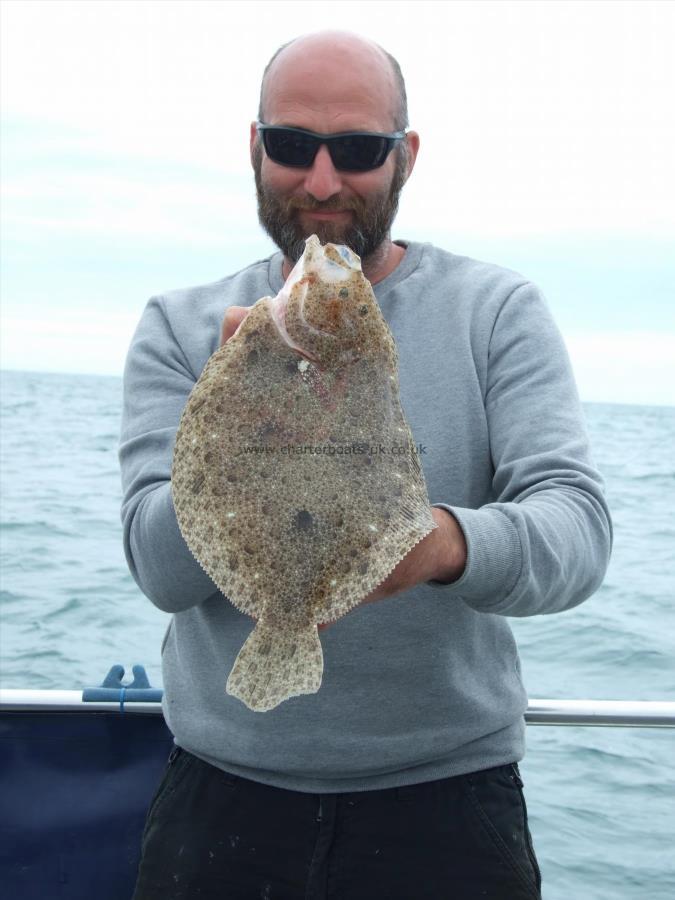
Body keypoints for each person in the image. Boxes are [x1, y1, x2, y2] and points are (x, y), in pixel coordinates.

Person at [120, 29, 612, 900]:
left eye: (355, 149)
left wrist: (438, 544)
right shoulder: (182, 325)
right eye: (290, 145)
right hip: (219, 798)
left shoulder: (494, 312)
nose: (320, 180)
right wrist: (237, 422)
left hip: (447, 806)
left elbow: (575, 531)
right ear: (253, 147)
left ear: (404, 157)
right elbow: (159, 572)